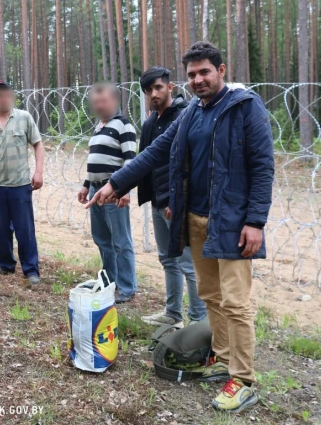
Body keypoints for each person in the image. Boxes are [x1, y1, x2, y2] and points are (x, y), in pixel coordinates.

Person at [87, 42, 274, 413]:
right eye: (192, 75)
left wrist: (255, 221)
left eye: (205, 72)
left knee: (235, 302)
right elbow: (154, 153)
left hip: (233, 223)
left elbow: (263, 166)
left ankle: (245, 379)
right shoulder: (193, 114)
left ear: (222, 70)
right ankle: (222, 361)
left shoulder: (244, 107)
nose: (198, 80)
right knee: (212, 296)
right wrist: (115, 183)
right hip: (198, 220)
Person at [137, 67, 206, 328]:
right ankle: (173, 313)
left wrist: (178, 202)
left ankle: (198, 321)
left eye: (157, 87)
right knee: (167, 259)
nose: (153, 94)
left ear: (170, 86)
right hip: (158, 202)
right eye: (148, 90)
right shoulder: (150, 123)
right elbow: (145, 161)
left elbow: (188, 162)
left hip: (176, 204)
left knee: (189, 264)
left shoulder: (186, 116)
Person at [0, 81, 44, 285]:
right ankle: (6, 265)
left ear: (12, 97)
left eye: (7, 95)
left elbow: (38, 144)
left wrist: (39, 172)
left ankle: (31, 270)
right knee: (1, 228)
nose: (3, 99)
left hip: (20, 185)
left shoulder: (24, 118)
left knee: (25, 229)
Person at [77, 82, 138, 303]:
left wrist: (125, 190)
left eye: (102, 101)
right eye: (95, 102)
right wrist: (86, 184)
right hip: (95, 190)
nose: (98, 105)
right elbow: (95, 161)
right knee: (102, 239)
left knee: (121, 241)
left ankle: (128, 287)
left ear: (114, 100)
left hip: (113, 191)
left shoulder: (124, 126)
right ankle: (109, 281)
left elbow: (131, 161)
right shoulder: (99, 126)